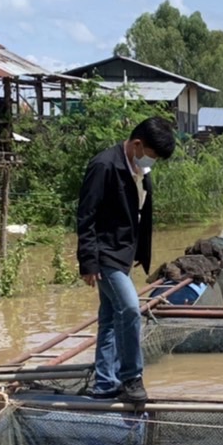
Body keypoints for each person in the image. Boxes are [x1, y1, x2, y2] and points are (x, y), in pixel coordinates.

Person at [76, 116, 178, 404]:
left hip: (123, 254)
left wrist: (139, 253)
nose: (152, 162)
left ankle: (104, 384)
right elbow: (86, 216)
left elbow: (139, 214)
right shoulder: (104, 165)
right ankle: (132, 378)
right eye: (152, 155)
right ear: (137, 144)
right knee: (131, 309)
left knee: (109, 318)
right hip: (105, 254)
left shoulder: (138, 168)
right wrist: (88, 262)